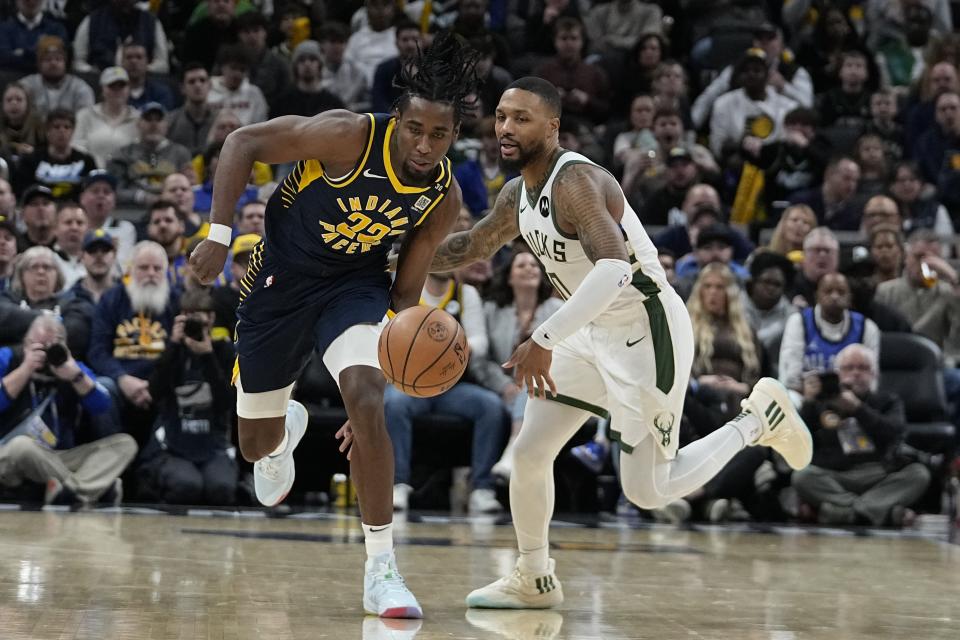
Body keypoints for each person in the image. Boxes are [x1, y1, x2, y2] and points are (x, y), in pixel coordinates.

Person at [414, 77, 813, 609]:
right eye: (503, 116)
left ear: (552, 126)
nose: (506, 128)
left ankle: (756, 421)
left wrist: (544, 336)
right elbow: (471, 244)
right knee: (530, 452)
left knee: (647, 490)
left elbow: (614, 270)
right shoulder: (517, 194)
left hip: (646, 332)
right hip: (588, 331)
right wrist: (395, 256)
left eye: (521, 118)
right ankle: (534, 578)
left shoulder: (576, 180)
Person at [188, 32, 480, 619]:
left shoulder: (442, 197)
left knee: (367, 400)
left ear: (453, 137)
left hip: (356, 286)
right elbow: (243, 141)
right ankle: (284, 429)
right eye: (416, 129)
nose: (425, 145)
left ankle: (382, 570)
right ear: (396, 120)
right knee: (255, 446)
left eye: (440, 135)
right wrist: (218, 235)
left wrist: (384, 373)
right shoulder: (349, 135)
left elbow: (404, 291)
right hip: (281, 282)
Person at [0, 315, 137, 506]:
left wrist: (75, 376)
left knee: (126, 444)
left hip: (58, 456)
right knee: (21, 446)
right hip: (9, 451)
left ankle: (70, 491)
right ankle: (92, 489)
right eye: (39, 346)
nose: (46, 354)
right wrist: (26, 368)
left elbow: (102, 405)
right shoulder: (7, 357)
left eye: (51, 347)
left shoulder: (71, 368)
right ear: (25, 343)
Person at [794, 344, 930, 527]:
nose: (856, 373)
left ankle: (842, 513)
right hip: (836, 475)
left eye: (863, 368)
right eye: (848, 368)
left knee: (919, 474)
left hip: (877, 473)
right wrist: (808, 404)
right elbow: (799, 441)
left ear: (874, 374)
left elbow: (894, 433)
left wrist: (858, 409)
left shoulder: (887, 401)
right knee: (801, 476)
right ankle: (878, 511)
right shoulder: (820, 403)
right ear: (838, 373)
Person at [139, 288, 238, 506]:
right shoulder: (172, 351)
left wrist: (207, 356)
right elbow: (154, 392)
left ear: (211, 319)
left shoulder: (224, 352)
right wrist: (174, 345)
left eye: (198, 318)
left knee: (221, 489)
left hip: (214, 445)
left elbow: (227, 403)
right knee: (186, 486)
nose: (193, 325)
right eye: (187, 317)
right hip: (174, 445)